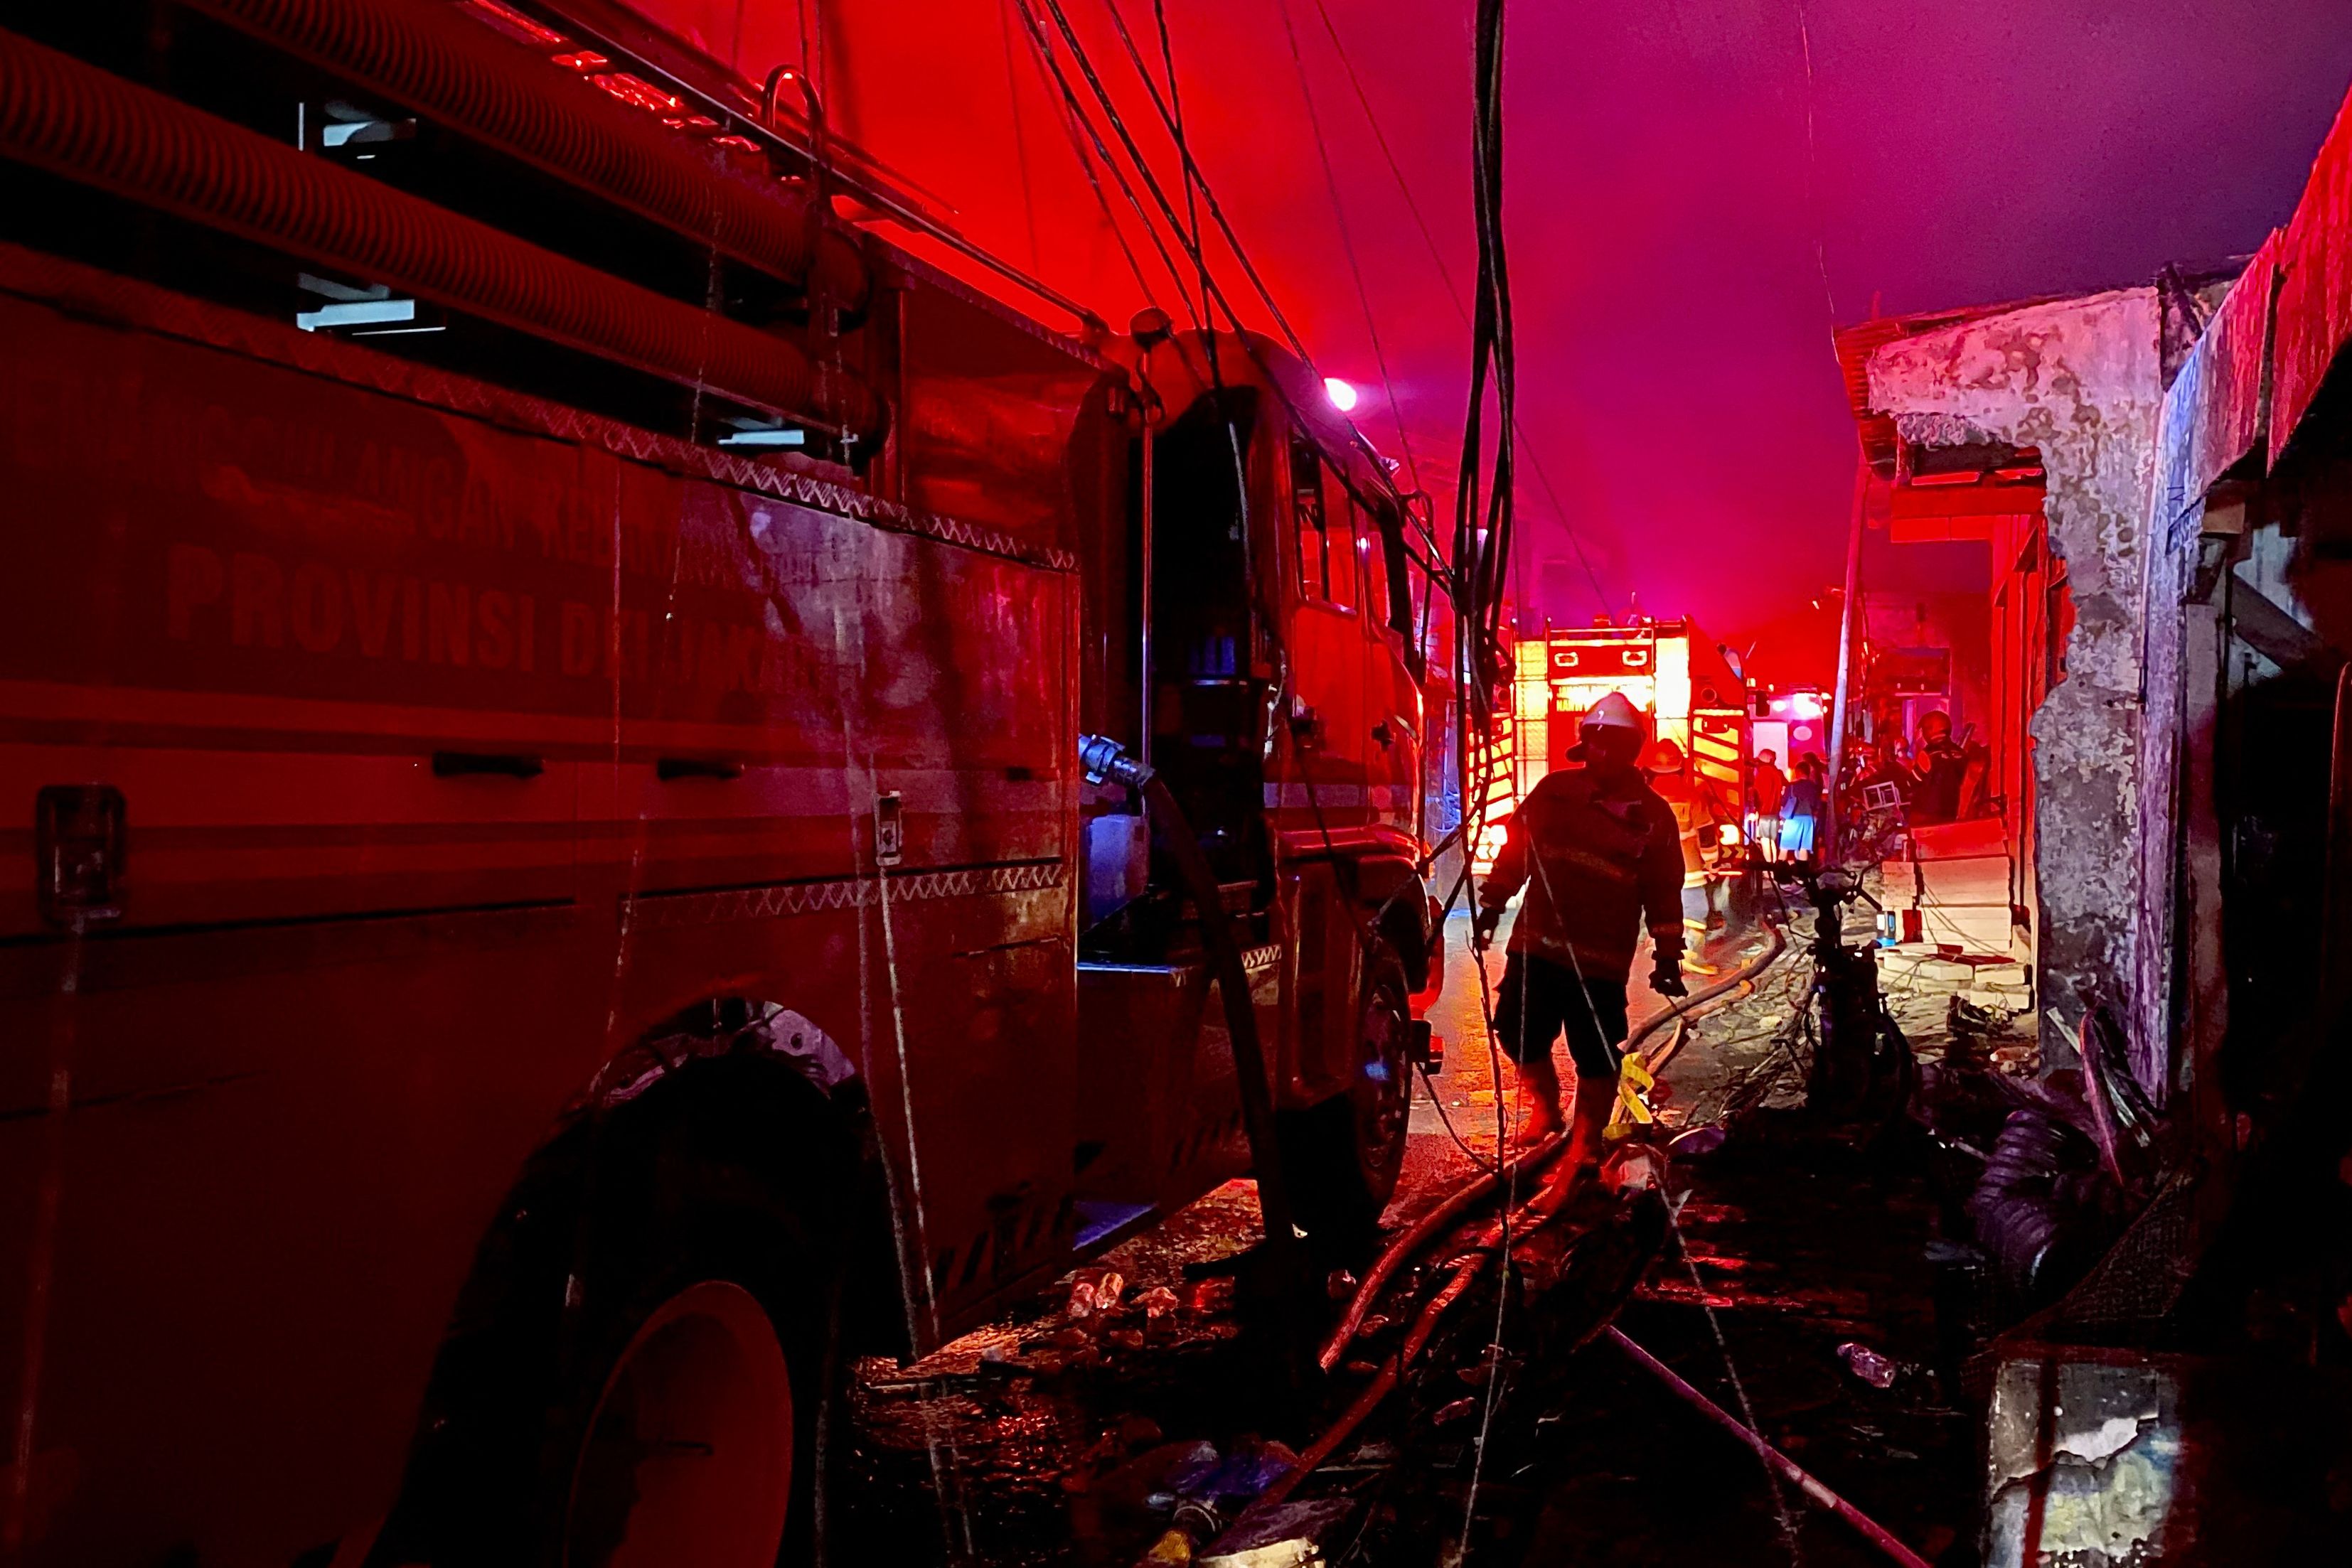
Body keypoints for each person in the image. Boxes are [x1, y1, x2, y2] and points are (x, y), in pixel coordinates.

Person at [1473, 692, 1687, 1176]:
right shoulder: (1554, 793)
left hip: (1600, 960)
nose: (1603, 754)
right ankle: (1546, 1107)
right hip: (1537, 943)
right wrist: (1492, 903)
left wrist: (1668, 956)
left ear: (1632, 750)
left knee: (1595, 1051)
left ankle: (1586, 1143)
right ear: (1584, 745)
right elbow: (1517, 853)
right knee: (1515, 1029)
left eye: (1615, 744)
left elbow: (1663, 890)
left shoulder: (1652, 817)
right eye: (1596, 743)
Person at [1642, 736, 1721, 947]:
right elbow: (1706, 834)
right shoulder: (1692, 796)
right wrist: (1711, 862)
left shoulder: (1643, 797)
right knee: (1694, 909)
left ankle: (1659, 950)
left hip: (1653, 872)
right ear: (1681, 769)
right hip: (1689, 869)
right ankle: (1692, 952)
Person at [1909, 711, 1968, 825]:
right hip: (1951, 813)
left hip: (1927, 815)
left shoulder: (1928, 754)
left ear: (1930, 730)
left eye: (1924, 730)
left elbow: (1913, 782)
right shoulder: (1961, 753)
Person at [1780, 754, 1823, 861]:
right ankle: (1803, 873)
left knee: (1784, 848)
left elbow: (1783, 802)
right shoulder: (1813, 787)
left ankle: (1779, 872)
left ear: (1797, 772)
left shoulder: (1791, 786)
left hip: (1792, 820)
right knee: (1804, 848)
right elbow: (1817, 805)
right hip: (1808, 820)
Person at [1749, 748, 1787, 862]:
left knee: (1765, 841)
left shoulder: (1761, 774)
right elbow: (1787, 787)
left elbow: (1756, 794)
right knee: (1772, 840)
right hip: (1775, 813)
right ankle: (1775, 864)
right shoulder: (1778, 773)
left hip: (1764, 813)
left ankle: (1768, 868)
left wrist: (1755, 809)